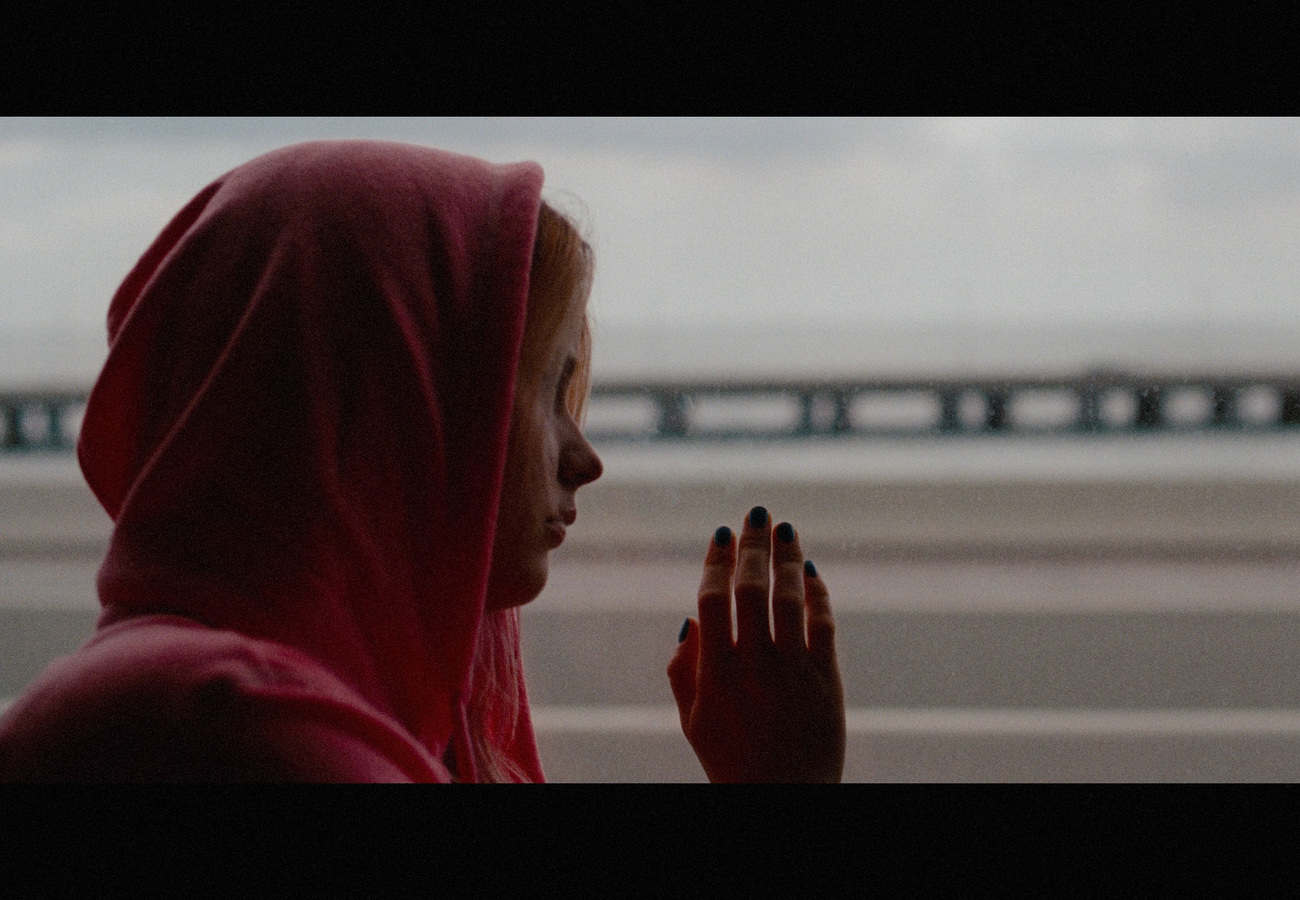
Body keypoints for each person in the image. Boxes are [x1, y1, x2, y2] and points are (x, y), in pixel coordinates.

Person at [0, 141, 846, 782]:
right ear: (398, 399)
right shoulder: (237, 733)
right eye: (550, 391)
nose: (585, 460)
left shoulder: (177, 695)